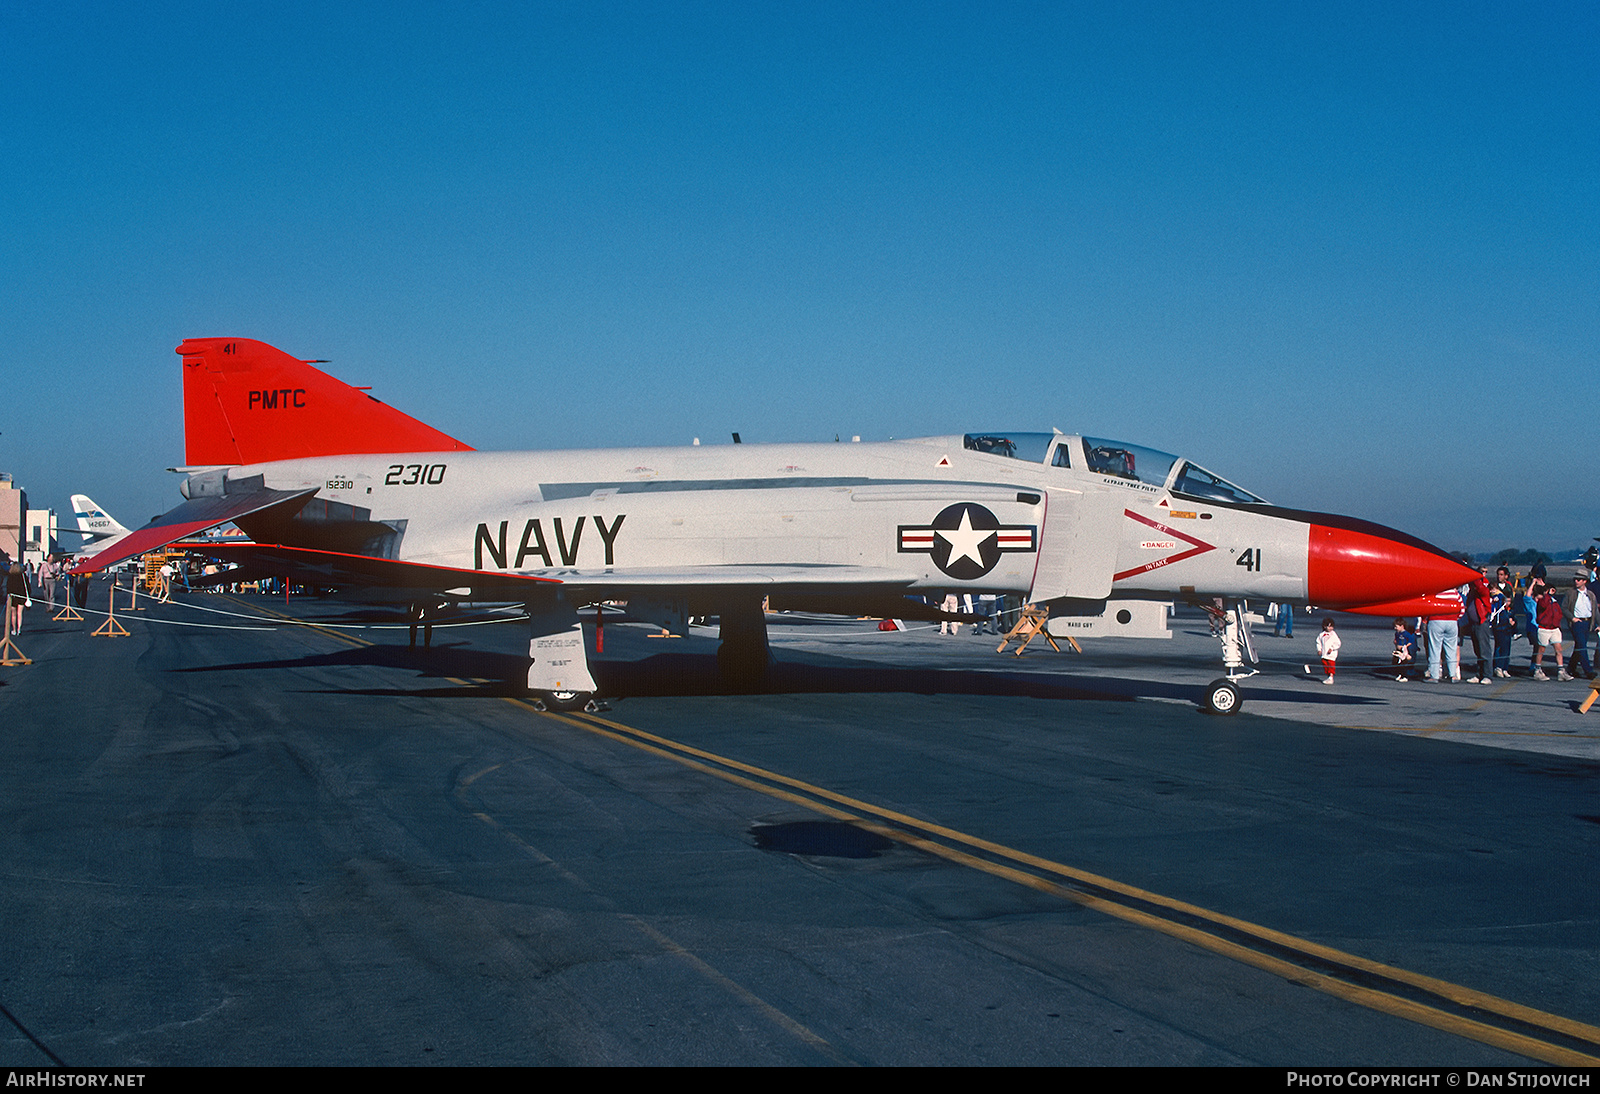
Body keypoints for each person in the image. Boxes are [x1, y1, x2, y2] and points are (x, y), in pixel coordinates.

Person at [1530, 580, 1571, 681]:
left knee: (1559, 649)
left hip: (1554, 628)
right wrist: (1546, 594)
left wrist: (1557, 624)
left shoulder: (1554, 602)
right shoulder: (1543, 600)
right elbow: (1543, 606)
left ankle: (1561, 671)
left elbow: (1559, 613)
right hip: (1544, 628)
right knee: (1541, 649)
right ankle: (1537, 670)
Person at [1425, 587, 1462, 682]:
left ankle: (1434, 675)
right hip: (1452, 622)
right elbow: (1461, 609)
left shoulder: (1435, 592)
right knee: (1451, 649)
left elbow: (1427, 606)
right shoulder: (1455, 593)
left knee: (1435, 649)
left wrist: (1425, 619)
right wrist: (1455, 618)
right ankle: (1453, 675)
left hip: (1436, 620)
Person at [1564, 572, 1596, 680]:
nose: (1576, 581)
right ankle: (1588, 671)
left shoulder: (1590, 595)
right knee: (1582, 646)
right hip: (1577, 623)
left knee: (1579, 647)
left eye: (1579, 579)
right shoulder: (1571, 593)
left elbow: (1595, 611)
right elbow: (1564, 608)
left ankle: (1571, 669)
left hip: (1587, 623)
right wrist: (1572, 618)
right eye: (1575, 579)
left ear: (1584, 581)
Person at [1316, 617, 1341, 684]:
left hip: (1331, 654)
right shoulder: (1321, 635)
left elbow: (1338, 643)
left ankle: (1331, 676)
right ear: (1324, 626)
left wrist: (1332, 648)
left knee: (1331, 665)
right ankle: (1328, 676)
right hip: (1324, 653)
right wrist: (1319, 650)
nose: (1330, 628)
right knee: (1325, 664)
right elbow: (1318, 642)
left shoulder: (1333, 634)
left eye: (1331, 626)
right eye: (1329, 626)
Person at [5, 561, 27, 637]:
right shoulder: (23, 576)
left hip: (13, 597)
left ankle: (14, 629)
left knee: (13, 614)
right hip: (21, 597)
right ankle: (19, 629)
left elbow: (8, 587)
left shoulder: (10, 576)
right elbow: (27, 587)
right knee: (20, 613)